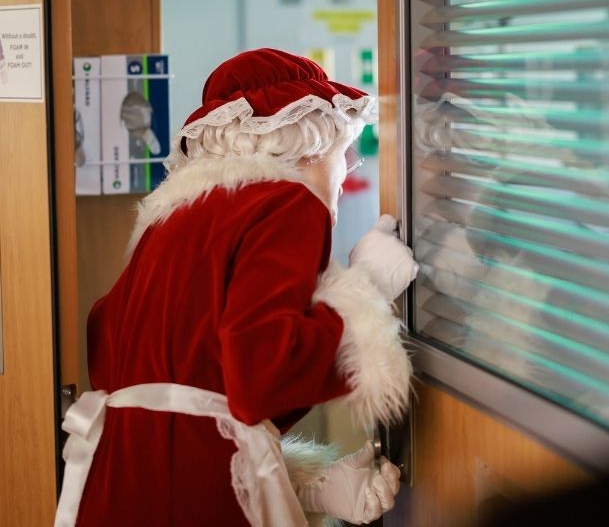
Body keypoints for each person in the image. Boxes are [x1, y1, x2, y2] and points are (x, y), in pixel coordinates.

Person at [55, 48, 418, 527]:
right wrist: (366, 289)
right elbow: (261, 375)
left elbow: (177, 381)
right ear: (310, 144)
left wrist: (305, 482)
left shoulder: (171, 222)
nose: (346, 166)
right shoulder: (287, 202)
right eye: (342, 153)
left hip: (118, 488)